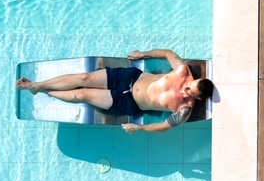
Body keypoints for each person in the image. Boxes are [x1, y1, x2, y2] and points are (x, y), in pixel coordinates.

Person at [16, 49, 213, 133]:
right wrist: (143, 53)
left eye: (191, 92)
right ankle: (36, 85)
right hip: (128, 78)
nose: (186, 88)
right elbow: (168, 53)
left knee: (81, 95)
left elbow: (164, 126)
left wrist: (139, 128)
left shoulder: (184, 110)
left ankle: (42, 91)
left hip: (127, 102)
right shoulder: (182, 71)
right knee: (83, 78)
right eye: (190, 84)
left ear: (197, 98)